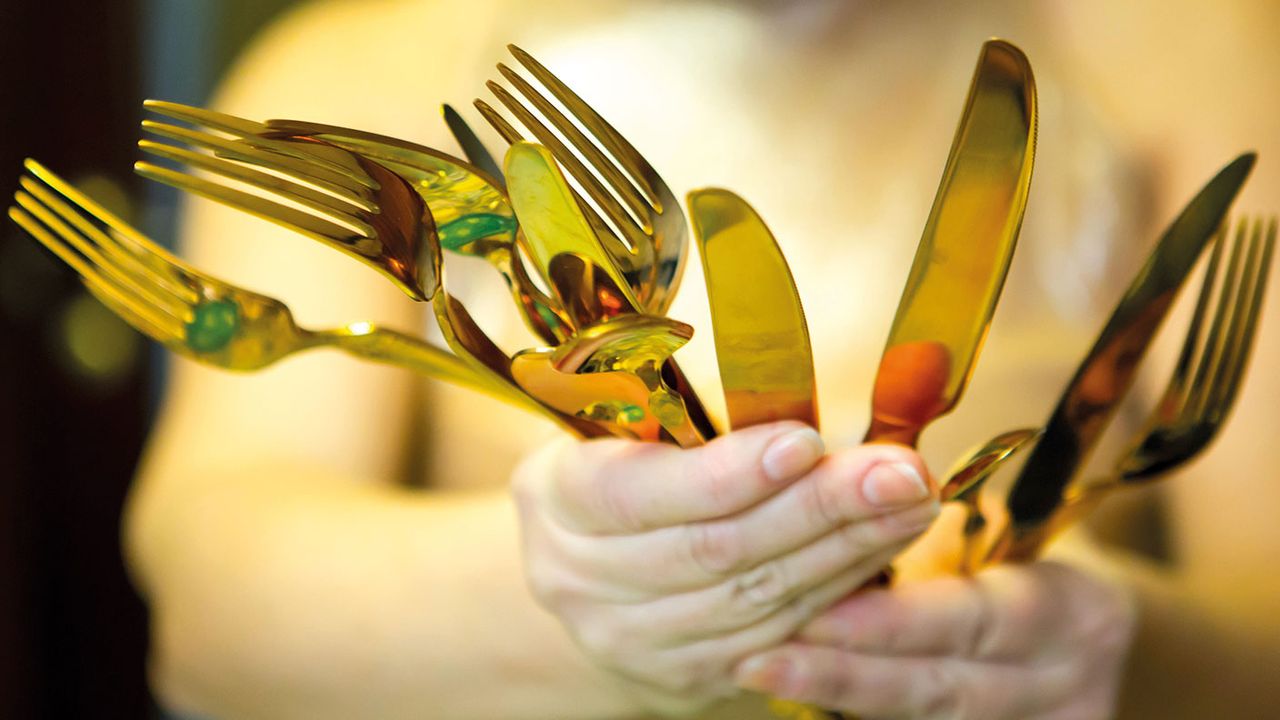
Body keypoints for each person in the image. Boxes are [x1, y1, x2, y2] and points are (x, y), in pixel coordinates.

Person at [124, 0, 1280, 717]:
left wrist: (1125, 655)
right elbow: (205, 627)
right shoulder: (353, 65)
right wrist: (570, 602)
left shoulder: (1188, 43)